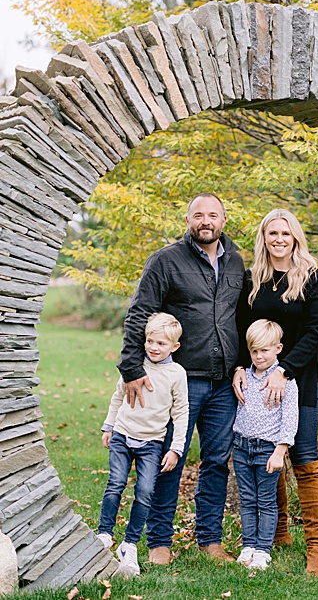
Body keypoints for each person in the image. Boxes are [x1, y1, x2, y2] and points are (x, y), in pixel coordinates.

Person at [117, 193, 245, 564]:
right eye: (199, 215)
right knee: (168, 458)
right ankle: (159, 541)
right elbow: (139, 314)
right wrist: (132, 368)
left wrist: (239, 365)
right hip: (179, 382)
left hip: (223, 384)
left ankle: (210, 539)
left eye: (213, 215)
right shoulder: (165, 260)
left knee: (217, 461)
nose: (206, 221)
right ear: (188, 219)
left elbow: (237, 319)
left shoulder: (236, 263)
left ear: (224, 219)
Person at [234, 207, 318, 576]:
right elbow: (241, 329)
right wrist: (239, 368)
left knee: (304, 460)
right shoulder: (252, 279)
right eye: (272, 233)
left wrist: (285, 370)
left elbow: (315, 333)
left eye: (285, 234)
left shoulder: (311, 279)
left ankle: (316, 549)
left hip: (300, 382)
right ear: (264, 238)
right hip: (256, 384)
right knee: (262, 454)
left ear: (295, 238)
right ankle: (277, 533)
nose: (278, 239)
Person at [97, 313, 189, 576]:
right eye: (150, 341)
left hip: (152, 443)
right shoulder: (135, 364)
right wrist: (109, 425)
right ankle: (104, 533)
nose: (153, 347)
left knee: (146, 490)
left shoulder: (176, 373)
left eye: (161, 343)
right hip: (123, 436)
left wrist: (176, 448)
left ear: (175, 347)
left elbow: (181, 413)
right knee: (115, 483)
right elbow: (118, 396)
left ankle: (130, 543)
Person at [232, 319, 299, 571]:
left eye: (265, 351)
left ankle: (263, 550)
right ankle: (248, 545)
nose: (259, 356)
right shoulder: (243, 376)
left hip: (267, 450)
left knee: (266, 501)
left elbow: (290, 418)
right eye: (254, 351)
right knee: (247, 499)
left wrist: (280, 451)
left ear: (278, 349)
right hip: (240, 447)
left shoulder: (285, 381)